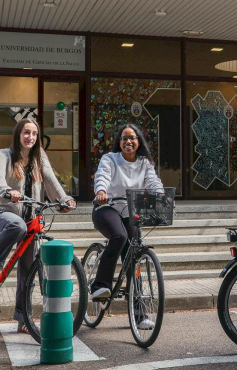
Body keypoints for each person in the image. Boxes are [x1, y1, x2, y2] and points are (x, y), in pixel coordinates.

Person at [0, 118, 76, 334]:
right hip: (5, 213)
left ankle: (23, 319)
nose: (30, 137)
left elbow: (51, 181)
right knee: (18, 226)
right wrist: (7, 191)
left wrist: (64, 200)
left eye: (34, 133)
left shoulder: (39, 156)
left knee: (28, 269)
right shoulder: (4, 154)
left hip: (32, 220)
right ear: (18, 134)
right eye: (26, 133)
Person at [91, 123, 163, 329]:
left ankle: (140, 314)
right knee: (119, 237)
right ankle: (100, 285)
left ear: (139, 141)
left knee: (134, 257)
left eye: (132, 137)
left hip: (131, 212)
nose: (128, 141)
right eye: (124, 138)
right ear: (119, 142)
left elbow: (152, 181)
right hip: (106, 208)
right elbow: (102, 175)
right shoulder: (110, 159)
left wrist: (160, 194)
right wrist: (101, 191)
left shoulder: (144, 163)